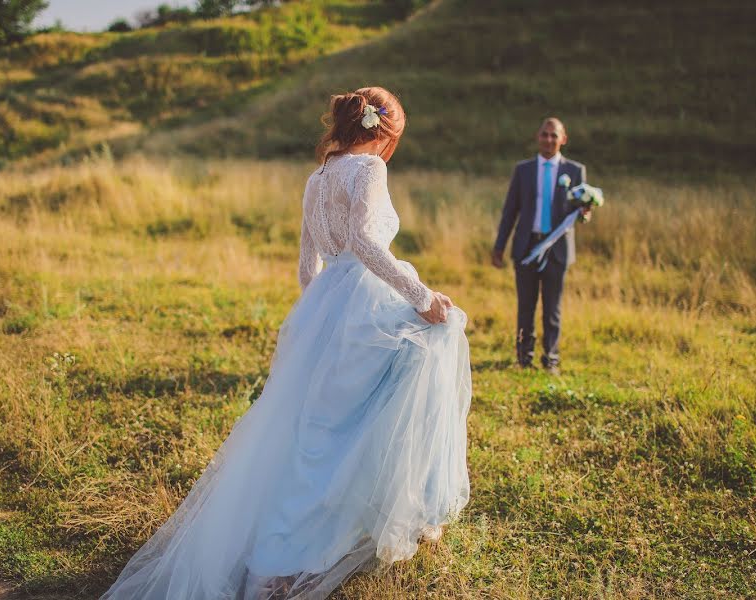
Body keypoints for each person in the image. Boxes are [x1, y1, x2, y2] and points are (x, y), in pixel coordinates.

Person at [101, 87, 472, 600]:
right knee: (440, 333)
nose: (392, 150)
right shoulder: (368, 169)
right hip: (362, 300)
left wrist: (320, 320)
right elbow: (365, 242)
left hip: (325, 307)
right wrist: (420, 295)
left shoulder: (316, 178)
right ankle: (412, 508)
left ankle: (354, 522)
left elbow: (307, 268)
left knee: (316, 433)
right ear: (381, 133)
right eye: (394, 140)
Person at [491, 117, 591, 374]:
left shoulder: (575, 171)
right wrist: (500, 246)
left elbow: (580, 211)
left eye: (554, 135)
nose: (549, 140)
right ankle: (524, 358)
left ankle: (551, 359)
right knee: (525, 305)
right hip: (526, 247)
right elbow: (510, 211)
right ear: (538, 137)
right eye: (545, 135)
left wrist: (586, 212)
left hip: (557, 249)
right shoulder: (523, 170)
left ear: (563, 139)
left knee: (552, 308)